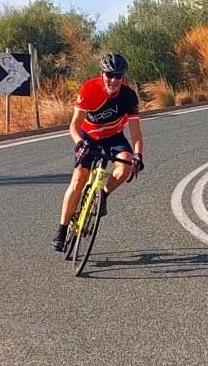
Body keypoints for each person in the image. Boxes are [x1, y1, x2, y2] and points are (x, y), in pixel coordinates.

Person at [53, 52, 144, 250]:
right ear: (101, 73)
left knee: (126, 166)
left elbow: (136, 133)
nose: (113, 80)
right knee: (79, 179)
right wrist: (79, 143)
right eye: (109, 75)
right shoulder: (89, 88)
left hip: (114, 137)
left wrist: (138, 155)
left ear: (123, 77)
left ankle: (102, 195)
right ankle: (62, 230)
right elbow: (74, 126)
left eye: (118, 76)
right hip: (88, 137)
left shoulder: (129, 96)